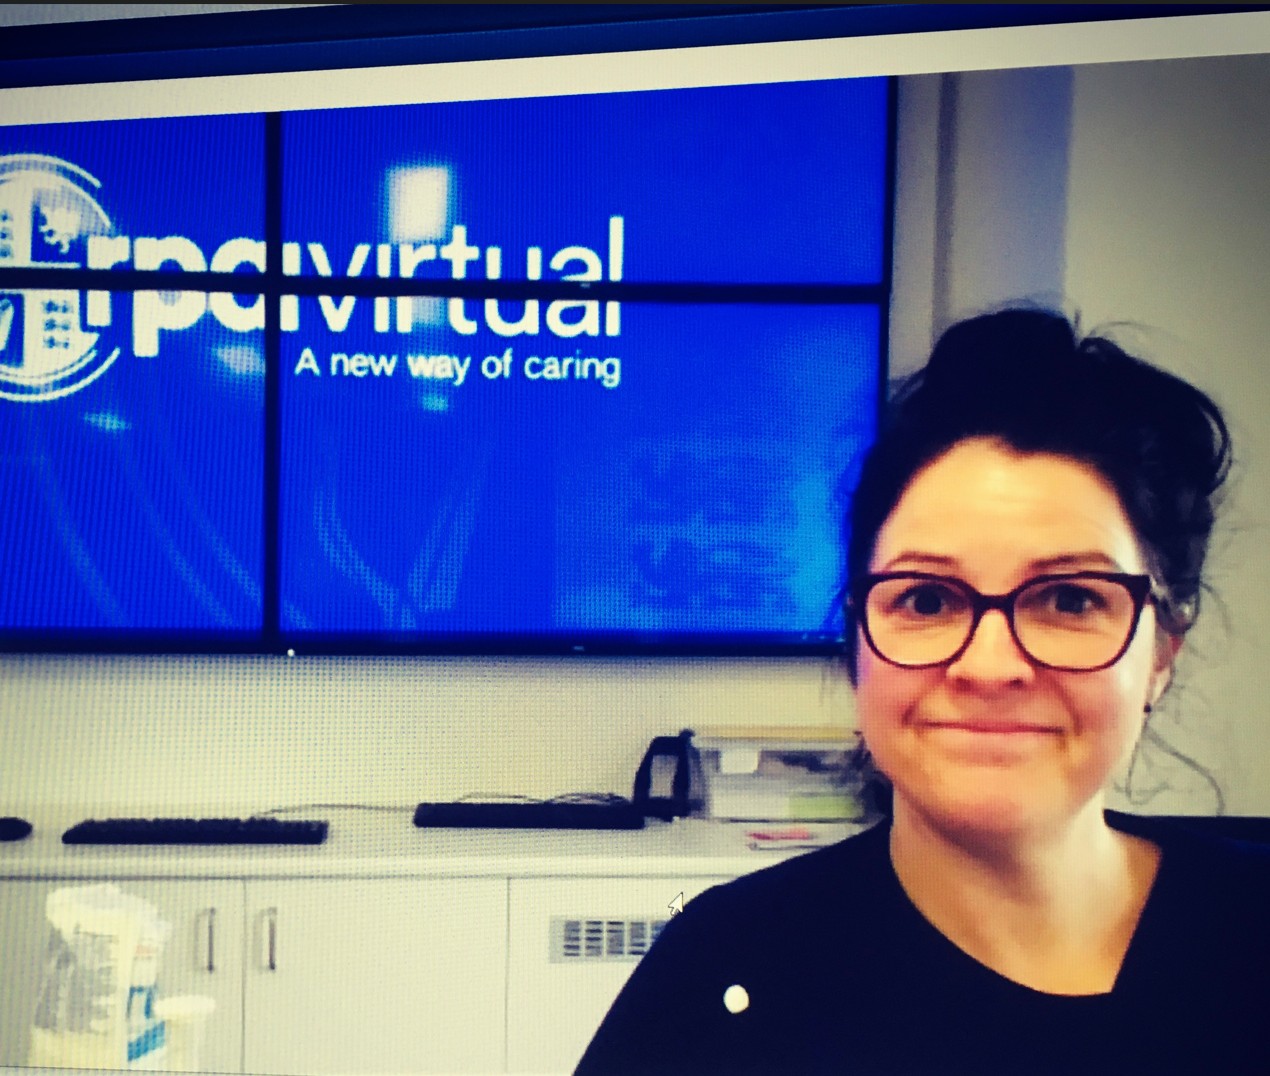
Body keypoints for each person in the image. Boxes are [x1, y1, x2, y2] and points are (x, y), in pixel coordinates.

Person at [575, 307, 1270, 1075]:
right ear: (856, 641)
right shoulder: (723, 977)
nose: (990, 666)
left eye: (1070, 599)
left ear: (1163, 648)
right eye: (928, 599)